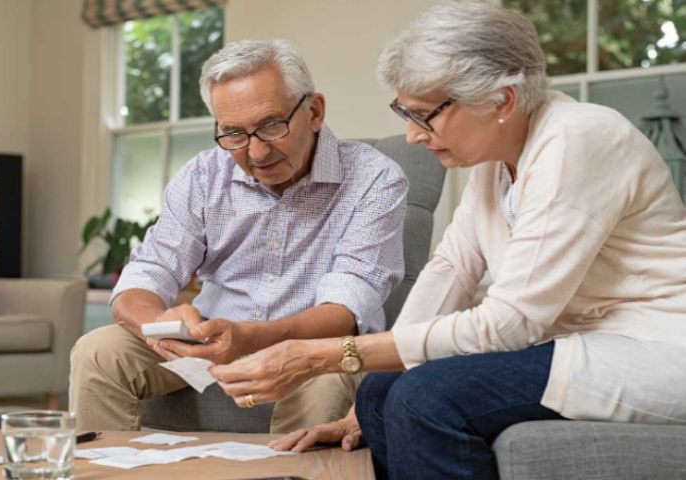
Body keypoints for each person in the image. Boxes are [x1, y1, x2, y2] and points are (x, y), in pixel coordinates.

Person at [209, 2, 686, 479]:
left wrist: (322, 354)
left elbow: (509, 325)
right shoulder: (495, 165)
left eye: (424, 115)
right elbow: (450, 271)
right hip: (576, 347)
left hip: (652, 350)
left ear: (502, 101)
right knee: (378, 393)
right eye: (405, 113)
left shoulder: (578, 139)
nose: (412, 136)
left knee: (427, 399)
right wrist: (363, 399)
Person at [69, 39, 408, 434]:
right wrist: (159, 322)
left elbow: (347, 307)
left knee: (327, 382)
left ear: (314, 111)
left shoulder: (375, 179)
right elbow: (150, 269)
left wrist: (249, 339)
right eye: (233, 134)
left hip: (315, 349)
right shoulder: (203, 175)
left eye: (271, 126)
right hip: (210, 342)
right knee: (98, 352)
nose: (257, 153)